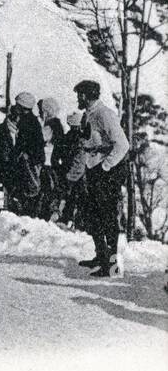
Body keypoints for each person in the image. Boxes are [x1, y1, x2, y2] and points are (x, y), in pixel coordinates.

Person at [72, 80, 129, 277]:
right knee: (93, 215)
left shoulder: (104, 114)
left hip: (106, 172)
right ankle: (101, 256)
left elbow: (122, 144)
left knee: (108, 218)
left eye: (80, 95)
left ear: (88, 96)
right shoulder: (89, 114)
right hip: (93, 168)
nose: (78, 98)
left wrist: (106, 166)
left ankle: (112, 266)